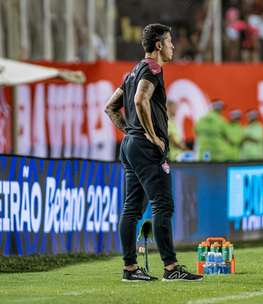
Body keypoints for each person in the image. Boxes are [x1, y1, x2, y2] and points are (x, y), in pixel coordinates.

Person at [105, 23, 202, 282]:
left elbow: (110, 108)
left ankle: (130, 269)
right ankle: (171, 268)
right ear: (158, 45)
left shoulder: (132, 72)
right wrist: (150, 135)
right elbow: (139, 99)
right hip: (145, 147)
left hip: (130, 146)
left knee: (132, 209)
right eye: (170, 42)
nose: (172, 46)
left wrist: (131, 132)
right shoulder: (153, 68)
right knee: (163, 205)